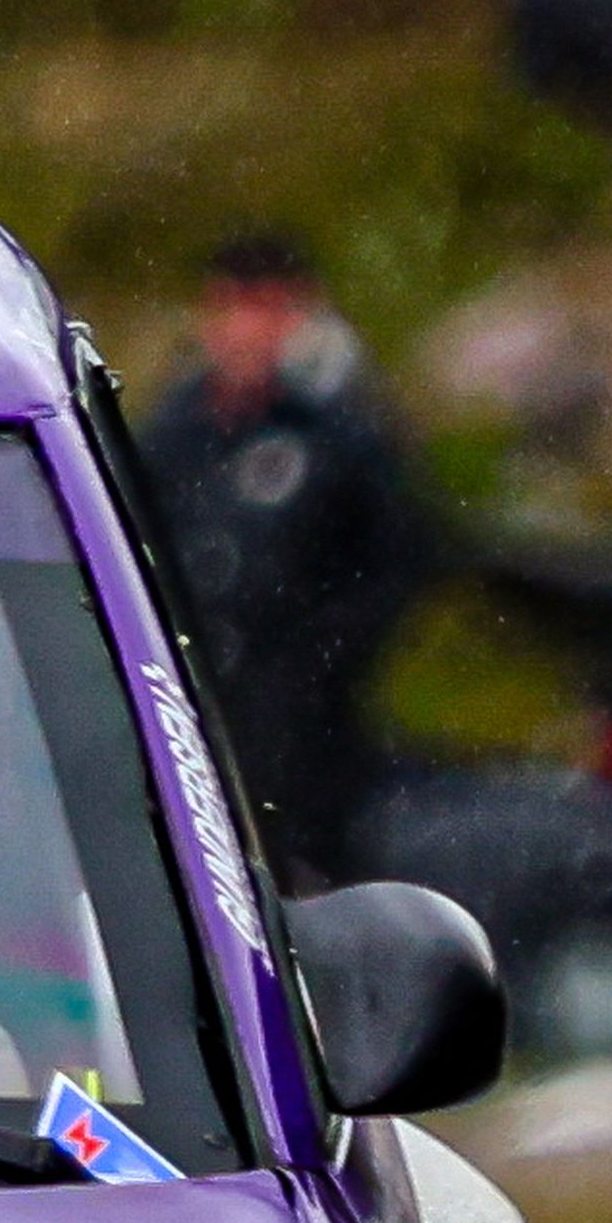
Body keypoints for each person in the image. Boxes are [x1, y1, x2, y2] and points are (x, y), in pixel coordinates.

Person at [134, 230, 429, 888]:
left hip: (304, 726)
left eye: (265, 311)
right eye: (229, 309)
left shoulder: (342, 437)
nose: (243, 331)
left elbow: (395, 562)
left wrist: (318, 661)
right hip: (193, 700)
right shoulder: (174, 433)